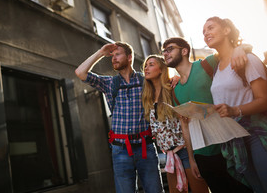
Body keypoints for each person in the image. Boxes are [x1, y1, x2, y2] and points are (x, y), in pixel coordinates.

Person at [203, 16, 267, 193]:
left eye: (210, 28)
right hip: (233, 139)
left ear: (226, 30)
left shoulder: (247, 59)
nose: (206, 33)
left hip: (256, 134)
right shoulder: (216, 67)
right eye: (203, 32)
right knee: (257, 189)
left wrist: (235, 110)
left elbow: (265, 100)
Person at [162, 37, 253, 193]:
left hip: (229, 147)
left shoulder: (206, 64)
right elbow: (185, 126)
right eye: (164, 51)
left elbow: (244, 47)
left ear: (184, 51)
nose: (165, 54)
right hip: (203, 156)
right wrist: (192, 159)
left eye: (170, 49)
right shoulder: (175, 90)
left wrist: (239, 48)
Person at [75, 42, 163, 193]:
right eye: (112, 56)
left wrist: (173, 80)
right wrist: (101, 53)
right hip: (120, 150)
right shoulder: (109, 83)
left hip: (145, 148)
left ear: (129, 57)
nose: (113, 58)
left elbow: (166, 81)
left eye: (118, 54)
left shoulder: (145, 81)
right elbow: (80, 72)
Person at [142, 54, 209, 193]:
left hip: (186, 150)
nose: (146, 68)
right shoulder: (147, 98)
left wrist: (191, 157)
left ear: (161, 69)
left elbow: (186, 122)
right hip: (169, 156)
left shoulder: (173, 89)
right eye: (145, 66)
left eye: (151, 64)